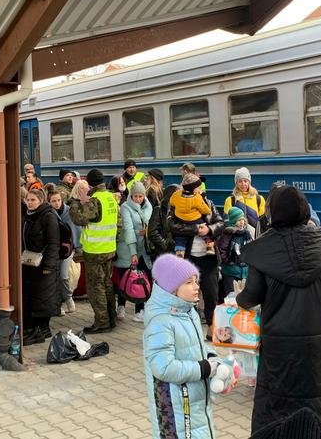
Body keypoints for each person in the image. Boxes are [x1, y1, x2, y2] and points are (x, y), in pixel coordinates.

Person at [236, 186, 321, 437]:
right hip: (318, 345)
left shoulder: (261, 249)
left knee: (278, 407)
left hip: (279, 348)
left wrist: (238, 298)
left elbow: (250, 297)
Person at [144, 254, 221, 439]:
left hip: (194, 400)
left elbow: (196, 345)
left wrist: (212, 357)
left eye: (196, 280)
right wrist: (203, 369)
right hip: (175, 407)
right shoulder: (161, 321)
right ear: (171, 289)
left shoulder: (187, 311)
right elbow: (163, 367)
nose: (196, 286)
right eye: (188, 282)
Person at [68, 169, 119, 333]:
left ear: (90, 183)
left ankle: (102, 322)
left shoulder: (95, 200)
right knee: (107, 284)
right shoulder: (110, 197)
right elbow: (119, 224)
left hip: (95, 251)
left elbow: (78, 219)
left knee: (95, 287)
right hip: (109, 248)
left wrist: (76, 202)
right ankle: (111, 318)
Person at [169, 184, 225, 332]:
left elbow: (220, 224)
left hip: (208, 258)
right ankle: (185, 328)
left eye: (199, 189)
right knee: (185, 295)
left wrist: (209, 229)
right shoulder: (178, 204)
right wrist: (195, 229)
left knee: (211, 294)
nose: (197, 192)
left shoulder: (209, 204)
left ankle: (211, 328)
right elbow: (172, 225)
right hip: (188, 258)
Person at [21, 188, 60, 345]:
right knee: (33, 296)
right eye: (28, 200)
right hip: (30, 261)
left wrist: (49, 266)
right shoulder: (27, 216)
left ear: (41, 201)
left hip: (44, 263)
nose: (30, 203)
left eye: (33, 200)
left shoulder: (48, 216)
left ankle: (42, 328)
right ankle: (35, 329)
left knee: (44, 297)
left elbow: (53, 243)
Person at [115, 182, 153, 322]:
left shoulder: (149, 207)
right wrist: (133, 253)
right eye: (136, 196)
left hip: (143, 250)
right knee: (125, 278)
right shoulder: (125, 208)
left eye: (141, 196)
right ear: (131, 195)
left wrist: (147, 233)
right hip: (128, 248)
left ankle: (139, 310)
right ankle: (121, 306)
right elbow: (128, 230)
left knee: (140, 280)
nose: (138, 199)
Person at [48, 187, 79, 314]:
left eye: (59, 200)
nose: (57, 203)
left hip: (68, 249)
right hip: (54, 249)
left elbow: (76, 230)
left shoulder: (68, 212)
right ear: (49, 202)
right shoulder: (48, 213)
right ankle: (58, 304)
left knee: (63, 275)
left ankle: (68, 297)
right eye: (54, 201)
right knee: (54, 277)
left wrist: (77, 246)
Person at [169, 173, 213, 256]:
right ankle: (209, 246)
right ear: (193, 189)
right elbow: (205, 210)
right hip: (195, 220)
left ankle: (180, 251)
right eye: (198, 187)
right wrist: (208, 209)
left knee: (180, 236)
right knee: (205, 230)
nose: (200, 189)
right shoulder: (197, 198)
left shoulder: (176, 194)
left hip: (181, 219)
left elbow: (171, 202)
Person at [216, 206, 254, 298]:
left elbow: (251, 249)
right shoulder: (227, 233)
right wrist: (230, 262)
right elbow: (222, 250)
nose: (242, 222)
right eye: (238, 220)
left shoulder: (247, 233)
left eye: (243, 219)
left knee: (245, 297)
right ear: (233, 221)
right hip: (231, 271)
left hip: (245, 271)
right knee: (231, 297)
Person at [222, 167, 266, 233]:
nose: (243, 184)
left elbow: (263, 222)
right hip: (237, 236)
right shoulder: (230, 200)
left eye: (245, 181)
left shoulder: (259, 199)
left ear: (249, 182)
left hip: (254, 237)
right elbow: (226, 221)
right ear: (236, 183)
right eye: (240, 181)